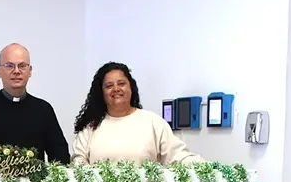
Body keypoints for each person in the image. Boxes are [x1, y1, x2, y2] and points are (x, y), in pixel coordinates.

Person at [71, 62, 203, 164]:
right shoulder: (90, 127)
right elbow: (79, 162)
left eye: (121, 83)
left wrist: (205, 168)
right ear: (102, 93)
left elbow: (177, 155)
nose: (116, 89)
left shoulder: (152, 121)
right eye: (109, 86)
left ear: (131, 87)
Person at [0, 43, 70, 165]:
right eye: (9, 66)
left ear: (30, 71)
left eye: (22, 66)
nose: (16, 71)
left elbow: (60, 154)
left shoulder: (43, 109)